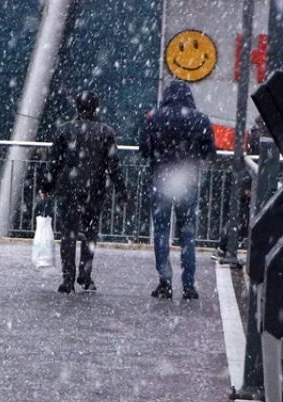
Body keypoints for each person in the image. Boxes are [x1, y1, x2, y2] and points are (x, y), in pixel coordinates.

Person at [38, 90, 128, 293]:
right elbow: (113, 165)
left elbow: (54, 163)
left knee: (68, 234)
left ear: (76, 107)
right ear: (96, 108)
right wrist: (121, 191)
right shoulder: (106, 132)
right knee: (90, 232)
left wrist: (46, 186)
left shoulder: (64, 131)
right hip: (95, 189)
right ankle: (85, 275)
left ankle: (67, 278)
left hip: (69, 188)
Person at [139, 79, 216, 299]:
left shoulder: (154, 117)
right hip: (187, 180)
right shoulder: (200, 119)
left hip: (161, 180)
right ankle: (189, 285)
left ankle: (165, 282)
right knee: (187, 233)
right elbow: (209, 152)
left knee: (161, 232)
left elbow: (144, 150)